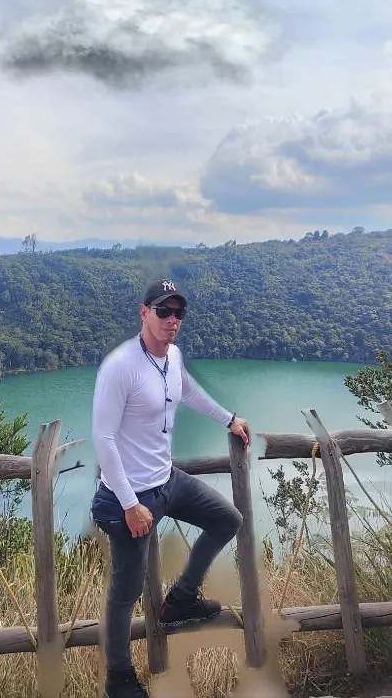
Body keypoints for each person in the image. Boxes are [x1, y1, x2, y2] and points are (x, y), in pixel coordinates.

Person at [91, 278, 251, 698]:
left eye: (178, 313)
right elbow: (103, 440)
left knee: (226, 519)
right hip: (129, 496)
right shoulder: (120, 366)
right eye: (164, 311)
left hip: (167, 481)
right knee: (126, 590)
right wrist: (129, 504)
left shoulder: (173, 357)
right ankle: (118, 678)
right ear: (144, 313)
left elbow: (190, 393)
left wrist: (228, 418)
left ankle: (179, 600)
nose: (172, 320)